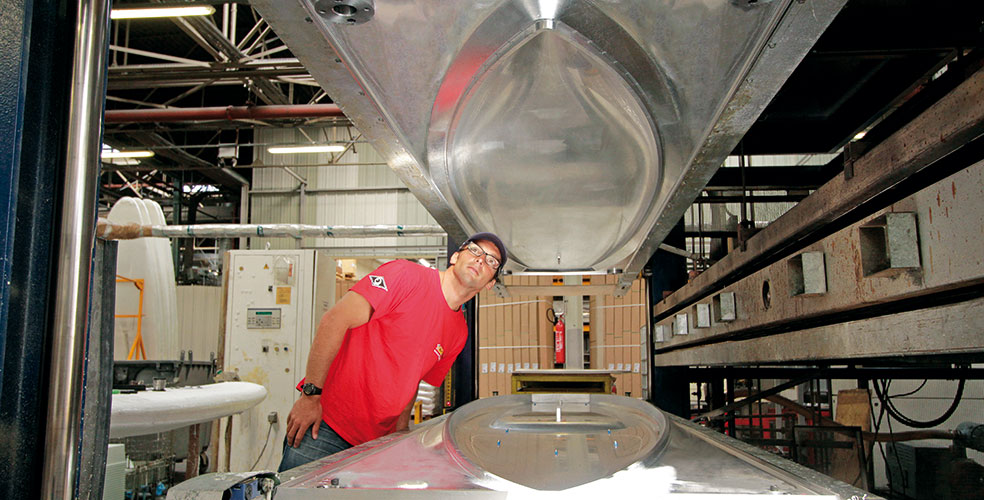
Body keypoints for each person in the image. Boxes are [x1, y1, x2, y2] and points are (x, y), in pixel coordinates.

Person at [278, 232, 507, 472]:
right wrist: (310, 397)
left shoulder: (459, 332)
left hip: (375, 443)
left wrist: (400, 435)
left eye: (492, 261)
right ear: (455, 257)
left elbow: (411, 380)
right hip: (326, 426)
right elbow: (334, 321)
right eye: (475, 250)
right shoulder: (404, 275)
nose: (481, 259)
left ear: (490, 283)